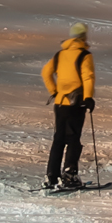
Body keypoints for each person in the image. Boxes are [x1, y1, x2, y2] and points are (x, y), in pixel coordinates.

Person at [41, 21, 95, 191]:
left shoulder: (60, 55)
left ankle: (51, 176)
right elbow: (88, 77)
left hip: (60, 103)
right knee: (73, 140)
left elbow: (46, 72)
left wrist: (55, 91)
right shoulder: (84, 55)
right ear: (83, 37)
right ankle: (69, 175)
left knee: (58, 140)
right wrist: (88, 97)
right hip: (76, 103)